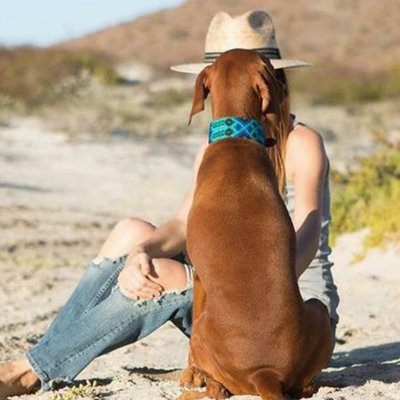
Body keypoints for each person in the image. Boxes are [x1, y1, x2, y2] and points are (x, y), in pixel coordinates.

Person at [0, 10, 339, 398]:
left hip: (286, 311)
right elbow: (182, 225)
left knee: (159, 275)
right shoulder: (215, 147)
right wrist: (138, 254)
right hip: (225, 309)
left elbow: (309, 232)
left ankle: (30, 372)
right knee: (132, 234)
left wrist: (256, 287)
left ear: (266, 84)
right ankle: (41, 358)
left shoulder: (301, 141)